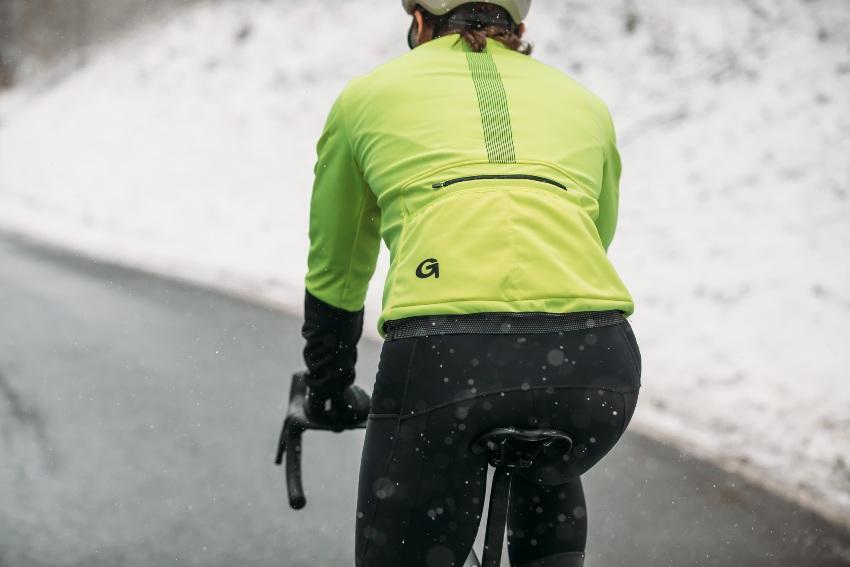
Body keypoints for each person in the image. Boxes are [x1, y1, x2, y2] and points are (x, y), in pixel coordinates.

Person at [300, 1, 641, 565]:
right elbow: (595, 237)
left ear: (418, 23)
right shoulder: (585, 104)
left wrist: (328, 386)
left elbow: (337, 271)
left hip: (445, 361)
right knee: (545, 439)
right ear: (519, 32)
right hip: (596, 365)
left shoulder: (365, 98)